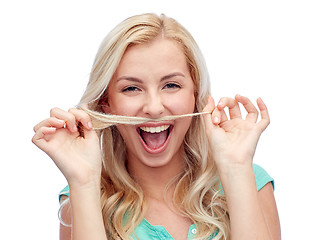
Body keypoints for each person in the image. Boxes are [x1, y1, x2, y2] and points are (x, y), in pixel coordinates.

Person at [32, 13, 280, 240]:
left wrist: (236, 169)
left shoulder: (251, 179)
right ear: (106, 104)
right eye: (131, 88)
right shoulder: (81, 194)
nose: (153, 107)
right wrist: (84, 182)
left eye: (171, 85)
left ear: (195, 93)